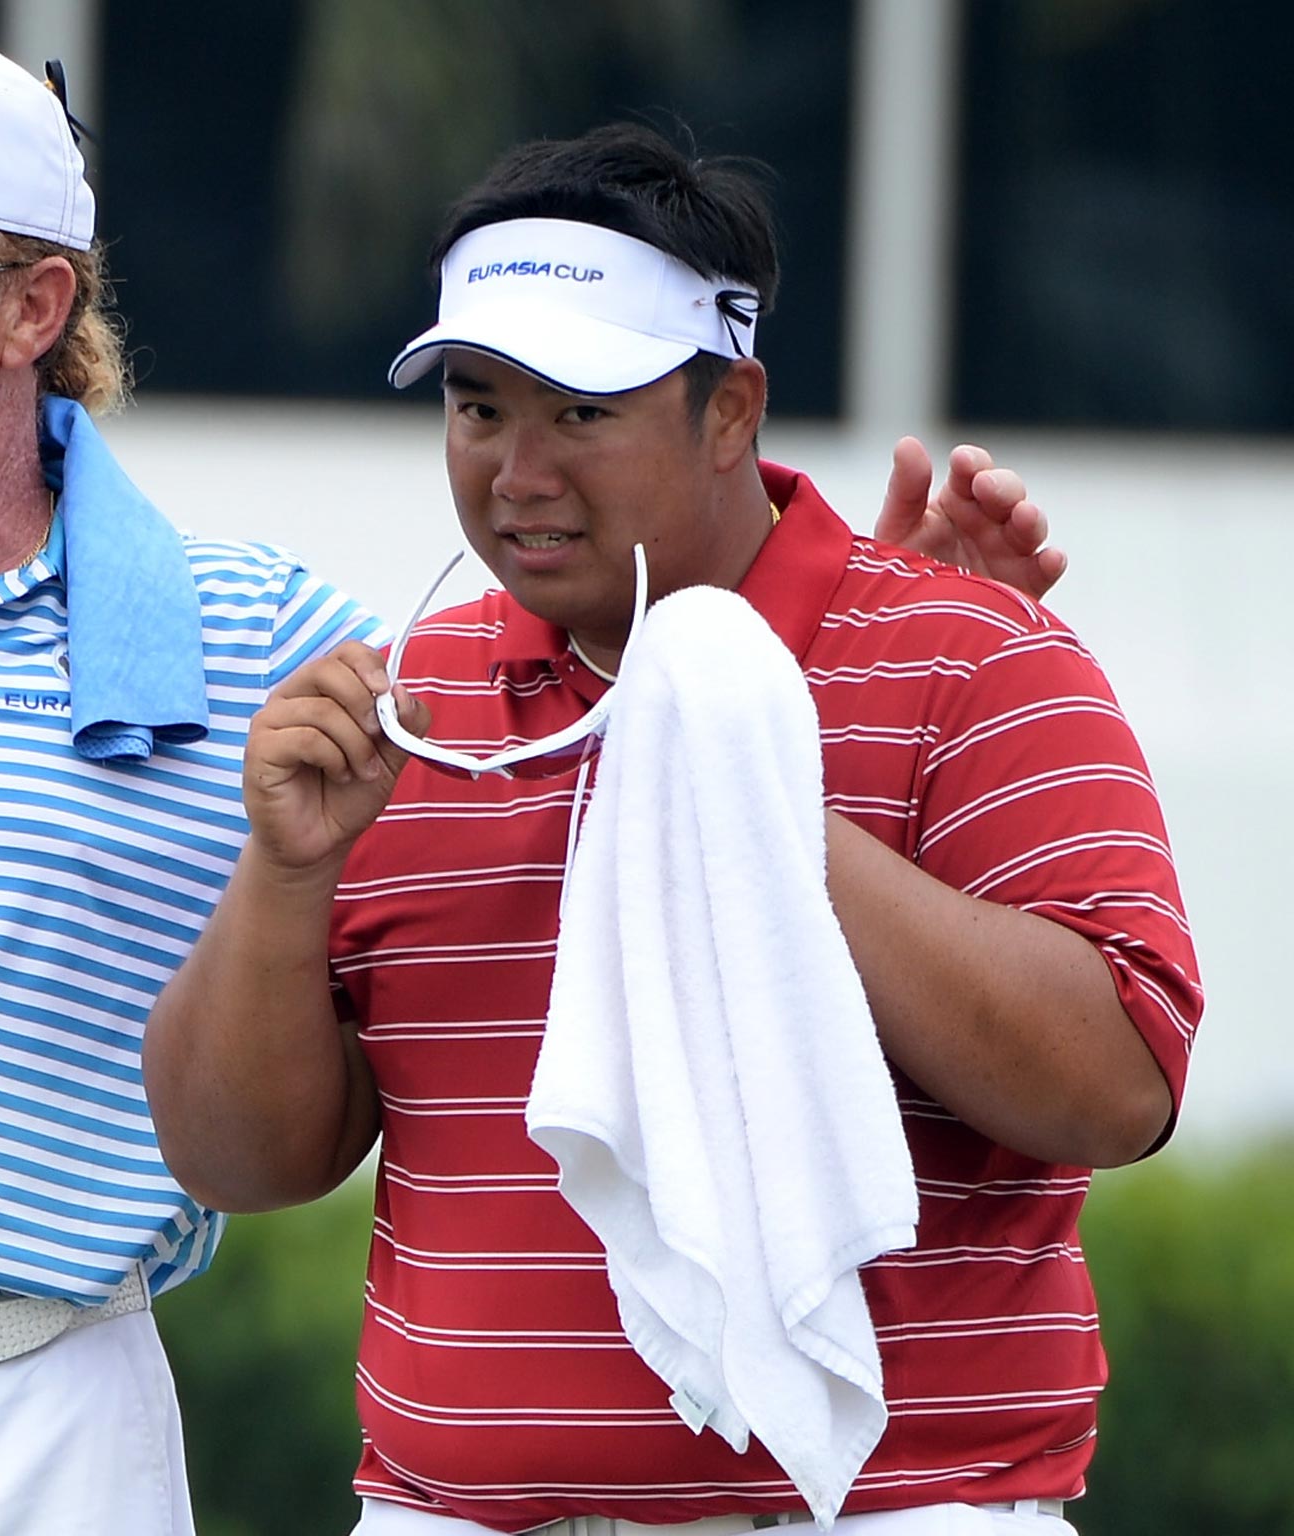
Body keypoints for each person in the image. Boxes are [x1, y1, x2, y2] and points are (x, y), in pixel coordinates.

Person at [0, 28, 1063, 1535]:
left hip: (26, 1441)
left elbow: (596, 755)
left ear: (34, 306)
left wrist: (827, 640)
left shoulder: (266, 640)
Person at [144, 123, 1200, 1535]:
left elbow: (1121, 1084)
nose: (516, 471)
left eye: (581, 412)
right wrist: (285, 876)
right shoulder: (413, 699)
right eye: (475, 406)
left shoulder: (970, 655)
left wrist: (751, 801)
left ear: (729, 411)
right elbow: (241, 1163)